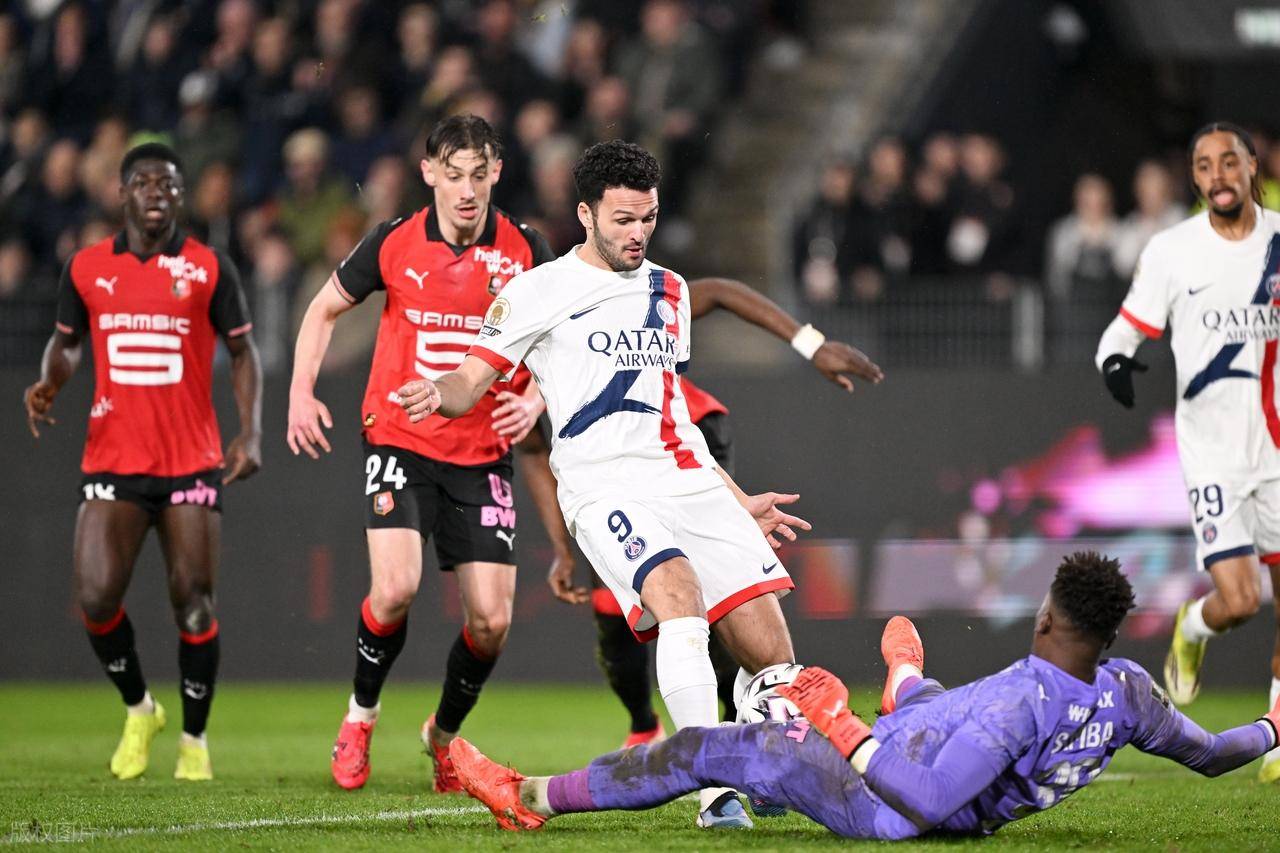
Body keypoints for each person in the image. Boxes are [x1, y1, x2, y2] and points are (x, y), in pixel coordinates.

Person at [394, 139, 809, 828]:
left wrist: (736, 500)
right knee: (678, 597)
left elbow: (672, 411)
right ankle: (714, 793)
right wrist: (437, 392)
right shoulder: (537, 291)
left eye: (648, 218)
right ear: (586, 214)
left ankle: (758, 756)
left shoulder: (671, 290)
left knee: (773, 657)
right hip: (603, 488)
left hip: (687, 480)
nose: (637, 233)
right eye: (622, 219)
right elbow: (470, 380)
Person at [449, 552, 1280, 838]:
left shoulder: (1020, 704)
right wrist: (1273, 724)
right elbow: (1213, 754)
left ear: (1047, 615)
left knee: (708, 746)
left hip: (883, 798)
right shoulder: (1128, 690)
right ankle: (906, 685)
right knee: (933, 704)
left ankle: (531, 796)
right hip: (937, 744)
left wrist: (841, 727)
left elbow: (926, 798)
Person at [286, 114, 554, 793]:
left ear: (496, 173)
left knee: (491, 622)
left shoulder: (526, 249)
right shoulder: (393, 241)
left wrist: (536, 401)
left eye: (478, 175)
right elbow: (321, 310)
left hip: (482, 452)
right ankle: (360, 718)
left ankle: (441, 735)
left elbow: (563, 338)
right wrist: (300, 392)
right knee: (396, 587)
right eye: (453, 174)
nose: (466, 190)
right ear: (429, 172)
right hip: (400, 439)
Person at [527, 275, 882, 748]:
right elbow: (531, 447)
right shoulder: (521, 336)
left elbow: (717, 291)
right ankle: (658, 730)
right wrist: (560, 544)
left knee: (712, 601)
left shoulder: (629, 293)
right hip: (612, 478)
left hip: (688, 444)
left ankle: (741, 729)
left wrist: (809, 343)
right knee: (626, 608)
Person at [22, 142, 262, 781]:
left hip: (190, 459)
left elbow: (243, 353)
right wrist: (51, 381)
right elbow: (67, 344)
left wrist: (251, 432)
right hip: (114, 458)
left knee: (194, 603)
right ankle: (140, 709)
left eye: (168, 183)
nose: (156, 191)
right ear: (121, 193)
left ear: (181, 196)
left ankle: (194, 741)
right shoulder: (86, 268)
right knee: (96, 598)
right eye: (144, 182)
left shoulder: (208, 267)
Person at [1095, 122, 1280, 783]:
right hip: (1214, 456)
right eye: (1204, 165)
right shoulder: (1173, 251)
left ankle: (1277, 735)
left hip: (1278, 449)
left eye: (1229, 161)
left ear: (1251, 166)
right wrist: (1115, 362)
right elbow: (1124, 329)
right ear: (1195, 178)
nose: (1217, 175)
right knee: (1242, 601)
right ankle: (1195, 628)